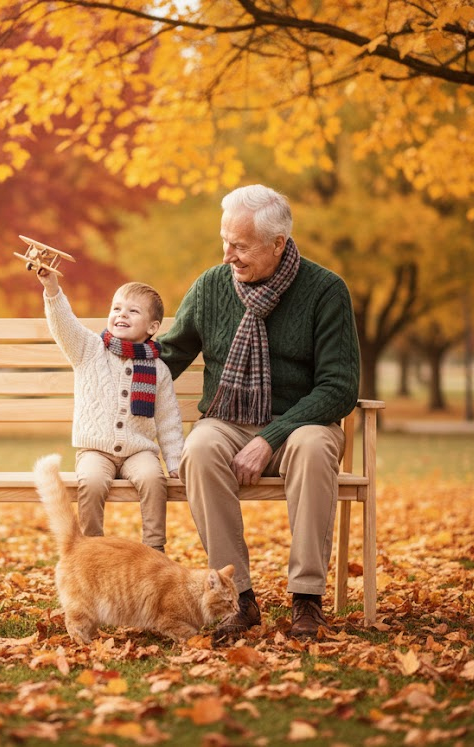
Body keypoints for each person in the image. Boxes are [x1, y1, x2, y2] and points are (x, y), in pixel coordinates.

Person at [157, 184, 361, 642]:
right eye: (224, 241)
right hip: (227, 421)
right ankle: (241, 600)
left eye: (241, 245)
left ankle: (307, 598)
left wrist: (271, 436)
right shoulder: (211, 287)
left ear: (279, 244)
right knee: (200, 448)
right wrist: (113, 365)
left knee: (311, 449)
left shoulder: (325, 290)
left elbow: (340, 386)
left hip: (302, 423)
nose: (228, 254)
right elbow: (168, 356)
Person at [38, 266, 184, 552]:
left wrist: (175, 462)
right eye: (116, 308)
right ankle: (91, 549)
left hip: (138, 450)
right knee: (91, 482)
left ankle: (155, 548)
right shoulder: (89, 349)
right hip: (96, 450)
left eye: (133, 311)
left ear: (152, 327)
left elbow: (168, 421)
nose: (121, 315)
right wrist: (51, 288)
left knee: (154, 480)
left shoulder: (158, 369)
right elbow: (63, 324)